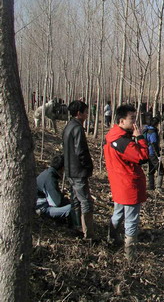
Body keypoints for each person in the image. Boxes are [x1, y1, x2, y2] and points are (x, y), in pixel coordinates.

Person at [104, 104, 149, 260]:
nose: (135, 122)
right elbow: (142, 157)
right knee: (131, 220)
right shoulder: (123, 142)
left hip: (118, 184)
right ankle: (130, 255)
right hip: (129, 186)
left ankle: (111, 240)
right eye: (132, 119)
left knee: (118, 214)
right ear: (121, 121)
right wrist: (140, 138)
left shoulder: (112, 135)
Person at [63, 100, 95, 239]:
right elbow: (80, 150)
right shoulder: (77, 128)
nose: (87, 114)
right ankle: (88, 234)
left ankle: (76, 227)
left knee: (75, 200)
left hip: (70, 169)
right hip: (78, 171)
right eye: (86, 112)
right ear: (79, 113)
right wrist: (88, 166)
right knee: (85, 201)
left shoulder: (68, 126)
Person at [36, 155, 78, 227]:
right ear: (62, 168)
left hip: (41, 205)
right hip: (42, 208)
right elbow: (56, 203)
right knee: (72, 208)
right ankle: (74, 229)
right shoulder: (50, 179)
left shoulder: (47, 173)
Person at [142, 116, 164, 191]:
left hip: (148, 152)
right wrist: (158, 155)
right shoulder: (153, 132)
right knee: (160, 170)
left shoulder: (146, 130)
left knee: (151, 170)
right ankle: (158, 187)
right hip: (152, 153)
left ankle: (151, 186)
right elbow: (154, 143)